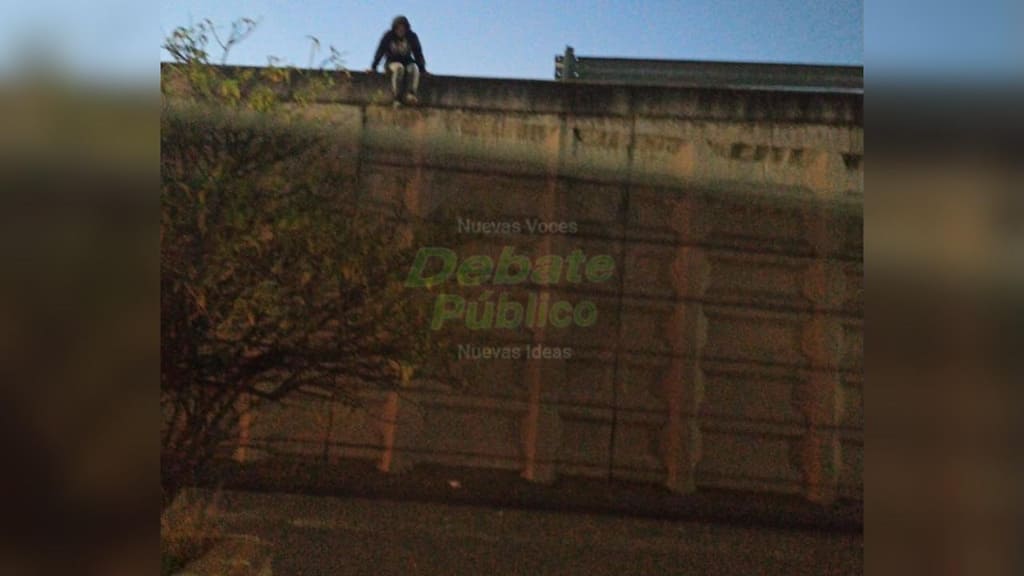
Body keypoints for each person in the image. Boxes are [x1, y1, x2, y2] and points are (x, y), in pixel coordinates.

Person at [369, 15, 427, 105]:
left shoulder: (412, 37)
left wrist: (422, 69)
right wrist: (374, 67)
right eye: (398, 28)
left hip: (407, 62)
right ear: (394, 28)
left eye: (403, 28)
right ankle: (397, 97)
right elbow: (380, 51)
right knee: (399, 68)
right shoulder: (388, 36)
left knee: (413, 68)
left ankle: (410, 93)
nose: (400, 31)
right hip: (391, 62)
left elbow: (418, 53)